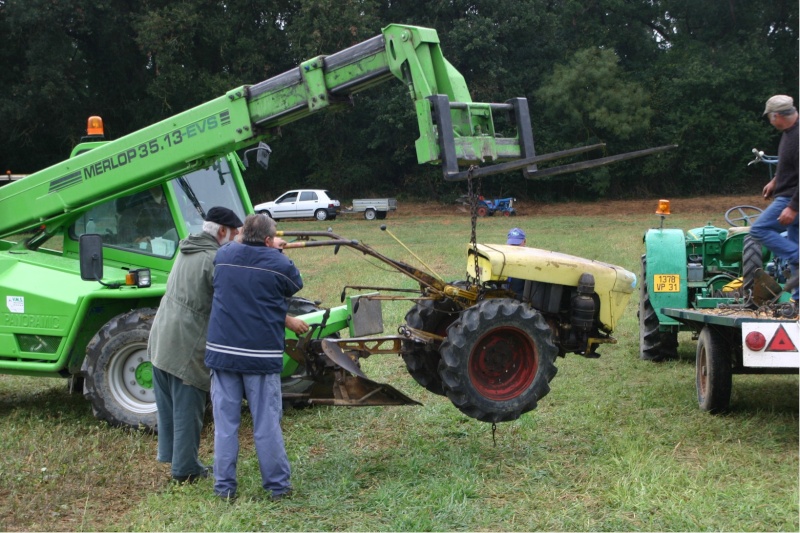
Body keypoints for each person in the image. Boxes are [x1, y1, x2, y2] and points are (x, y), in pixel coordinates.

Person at [205, 214, 304, 502]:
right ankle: (277, 487)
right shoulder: (280, 263)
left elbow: (240, 252)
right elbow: (294, 284)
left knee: (225, 426)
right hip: (260, 356)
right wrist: (277, 250)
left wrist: (267, 246)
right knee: (266, 424)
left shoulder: (223, 255)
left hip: (222, 354)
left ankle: (224, 488)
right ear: (268, 239)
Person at [148, 206, 243, 484]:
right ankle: (185, 470)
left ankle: (174, 457)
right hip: (186, 343)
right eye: (234, 233)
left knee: (169, 408)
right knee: (188, 411)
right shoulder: (213, 259)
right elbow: (230, 300)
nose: (236, 238)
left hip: (161, 337)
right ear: (222, 232)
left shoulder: (187, 248)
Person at [750, 94, 799, 298]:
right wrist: (775, 181)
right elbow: (789, 164)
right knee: (794, 245)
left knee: (759, 229)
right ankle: (798, 302)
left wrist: (793, 207)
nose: (771, 122)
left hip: (791, 199)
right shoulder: (790, 132)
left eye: (770, 117)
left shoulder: (798, 136)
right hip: (788, 194)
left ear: (776, 115)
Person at [506, 227, 527, 298]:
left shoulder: (529, 263)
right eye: (512, 244)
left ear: (524, 242)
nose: (514, 247)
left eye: (517, 244)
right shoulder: (501, 259)